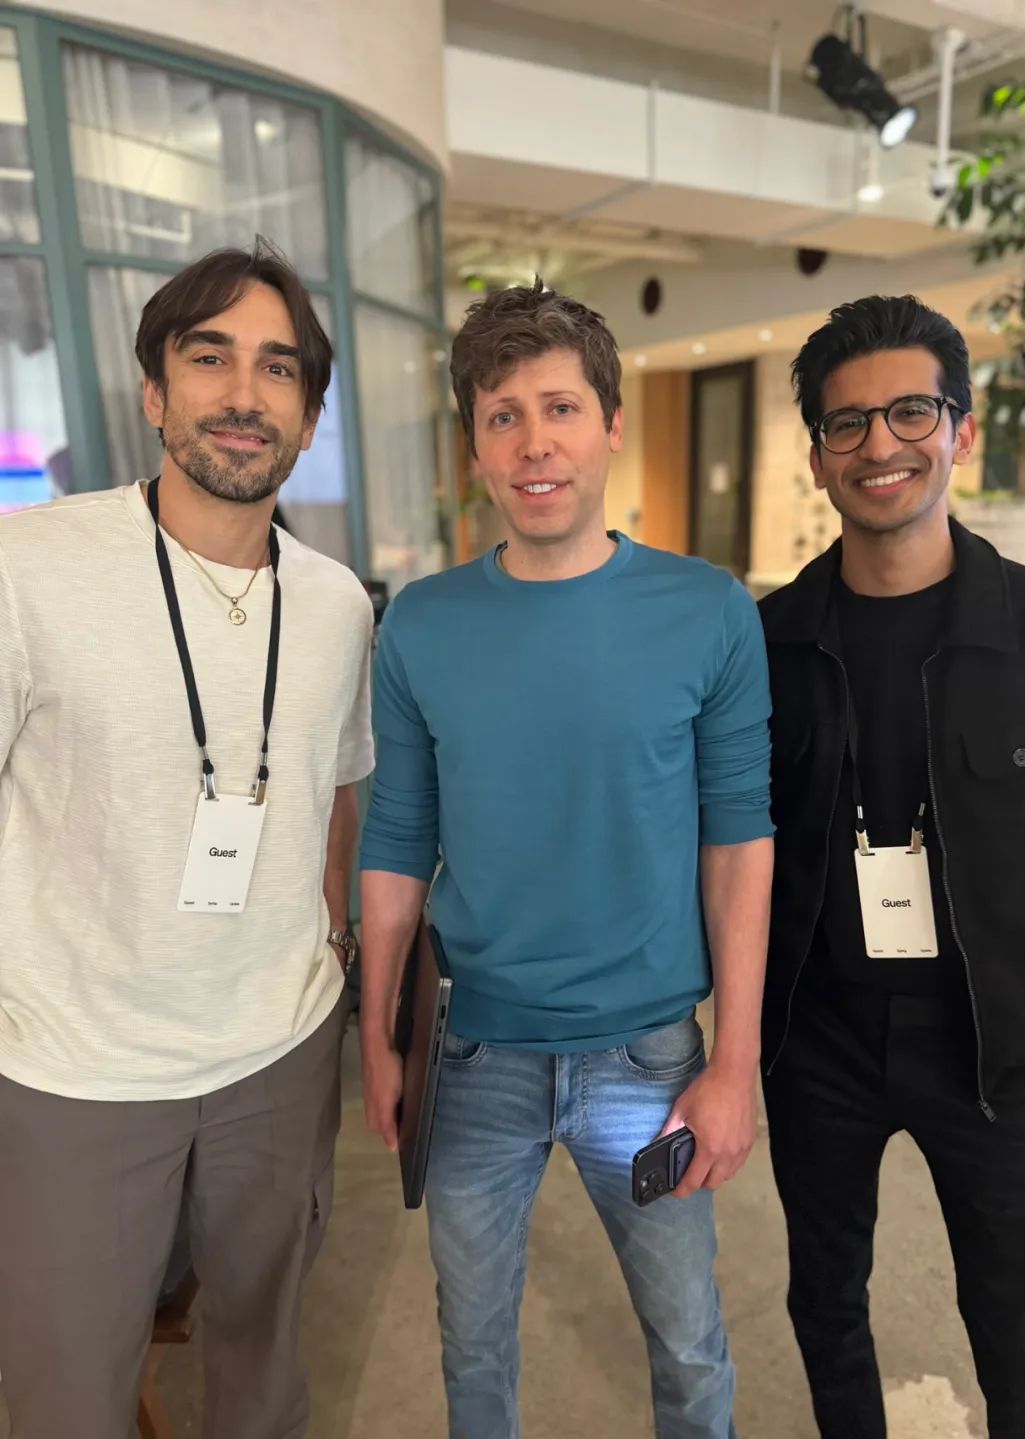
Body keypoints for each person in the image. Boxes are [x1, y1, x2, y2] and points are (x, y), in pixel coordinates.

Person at [359, 278, 774, 1439]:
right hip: (472, 1054)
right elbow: (397, 838)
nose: (533, 442)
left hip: (648, 1055)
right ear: (475, 445)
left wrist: (734, 1063)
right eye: (503, 415)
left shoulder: (707, 610)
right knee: (473, 1346)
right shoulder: (423, 623)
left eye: (560, 408)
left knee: (688, 1346)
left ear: (610, 424)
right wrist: (381, 1035)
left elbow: (740, 838)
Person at [0, 240, 373, 1439]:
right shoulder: (29, 567)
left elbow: (334, 791)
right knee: (67, 1396)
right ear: (155, 392)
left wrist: (335, 954)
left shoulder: (337, 602)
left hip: (280, 1051)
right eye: (210, 357)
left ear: (308, 417)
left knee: (264, 1374)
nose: (244, 393)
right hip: (76, 1068)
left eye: (279, 368)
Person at [760, 294, 1025, 1438]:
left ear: (962, 429)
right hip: (819, 1041)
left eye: (910, 412)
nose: (879, 444)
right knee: (824, 1300)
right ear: (818, 456)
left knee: (1020, 1326)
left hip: (995, 1046)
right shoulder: (770, 641)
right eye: (847, 423)